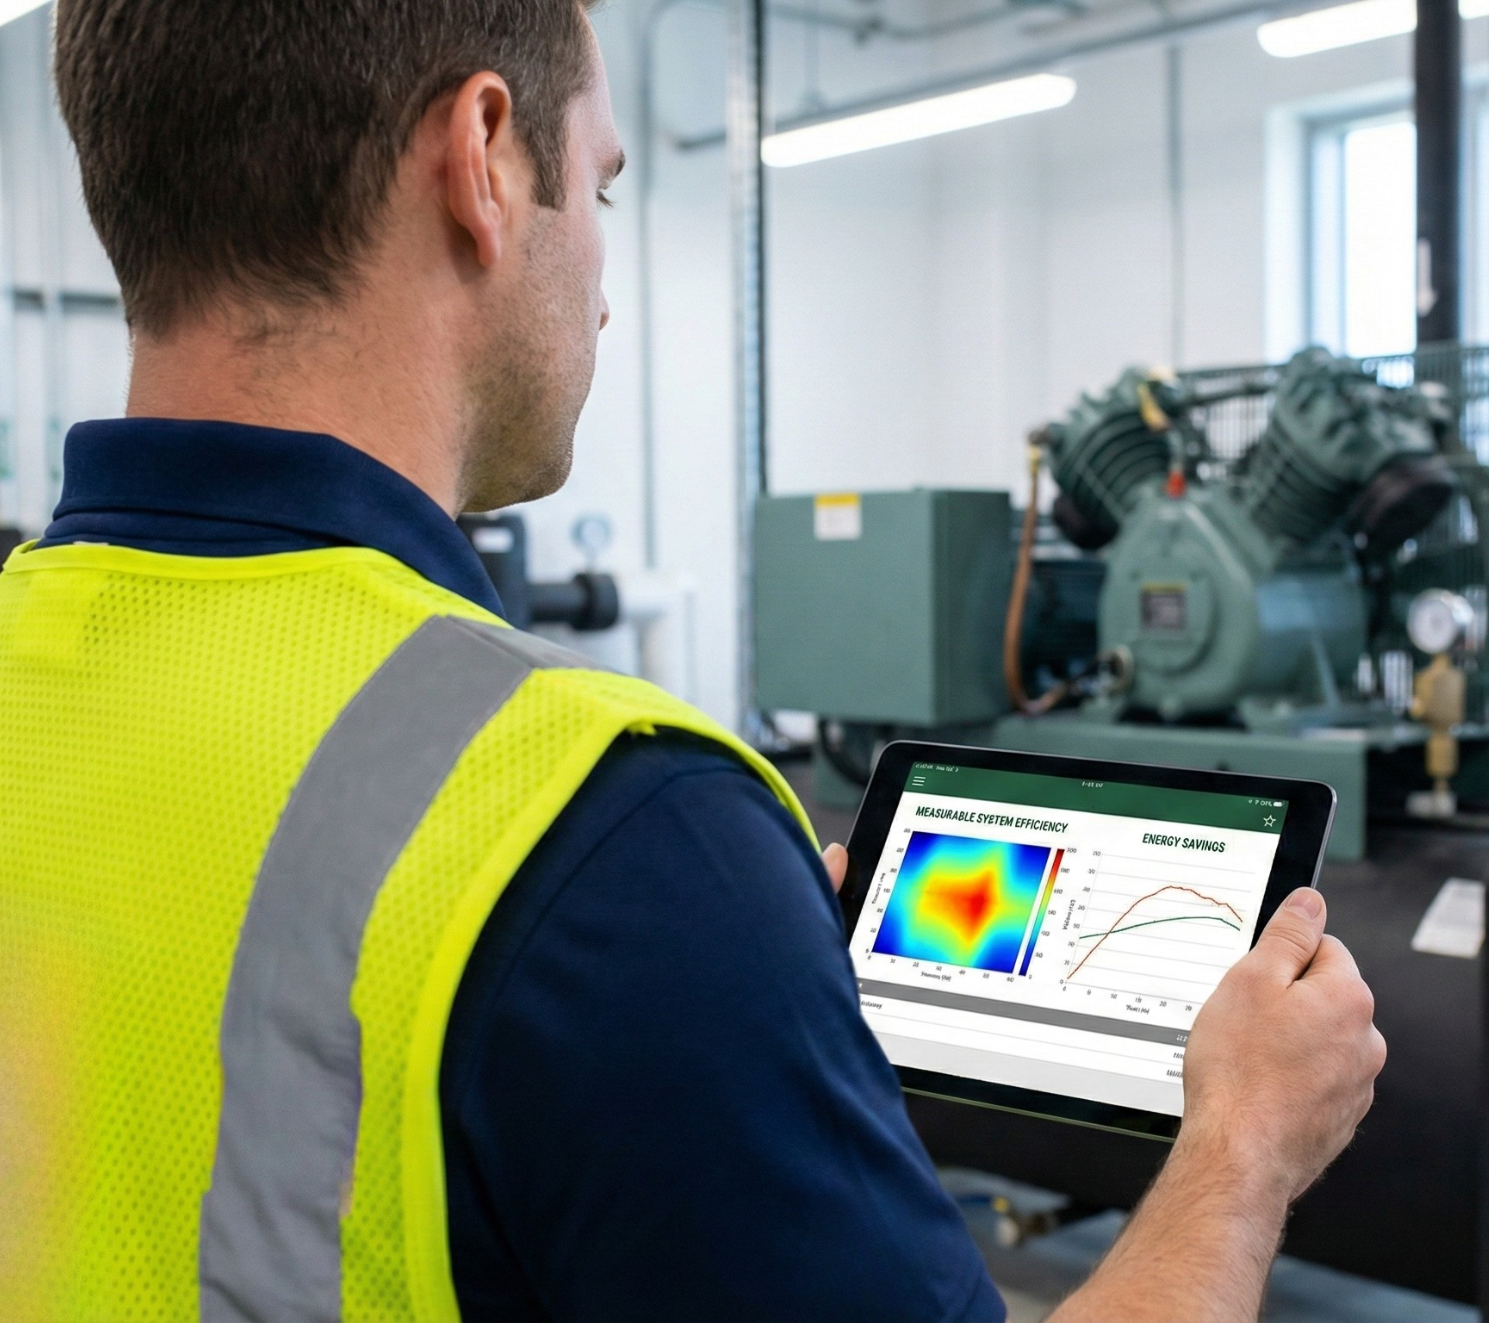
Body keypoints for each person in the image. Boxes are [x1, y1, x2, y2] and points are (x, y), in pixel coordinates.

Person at [0, 0, 1386, 1317]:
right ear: (483, 159)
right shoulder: (613, 835)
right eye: (600, 190)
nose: (601, 288)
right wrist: (1240, 1149)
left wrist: (740, 989)